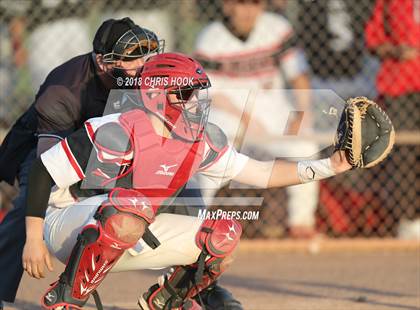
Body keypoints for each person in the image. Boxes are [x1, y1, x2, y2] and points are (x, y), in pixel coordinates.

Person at [21, 52, 363, 309]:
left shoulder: (199, 139)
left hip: (131, 225)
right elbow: (42, 172)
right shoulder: (117, 129)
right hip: (67, 223)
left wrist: (333, 164)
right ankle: (67, 299)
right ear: (154, 96)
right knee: (131, 208)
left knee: (223, 233)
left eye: (197, 94)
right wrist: (34, 239)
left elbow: (261, 173)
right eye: (185, 94)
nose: (195, 103)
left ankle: (165, 300)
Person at [0, 17, 163, 308]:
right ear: (103, 62)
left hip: (101, 147)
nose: (142, 65)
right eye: (132, 58)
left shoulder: (138, 79)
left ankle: (193, 283)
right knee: (33, 201)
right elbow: (46, 166)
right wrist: (36, 235)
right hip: (43, 147)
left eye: (146, 55)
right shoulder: (64, 90)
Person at [194, 0, 318, 238]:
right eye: (241, 4)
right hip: (230, 112)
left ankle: (301, 224)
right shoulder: (210, 37)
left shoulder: (276, 27)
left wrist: (302, 115)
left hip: (273, 110)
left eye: (255, 3)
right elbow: (209, 93)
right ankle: (197, 224)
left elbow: (298, 76)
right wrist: (246, 120)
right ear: (227, 6)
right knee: (212, 154)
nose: (249, 11)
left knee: (305, 146)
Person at [365, 0, 420, 239]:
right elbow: (373, 40)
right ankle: (409, 220)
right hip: (401, 82)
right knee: (405, 154)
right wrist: (396, 51)